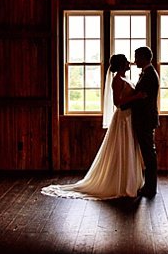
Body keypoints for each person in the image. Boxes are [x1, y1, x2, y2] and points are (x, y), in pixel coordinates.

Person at [41, 54, 147, 199]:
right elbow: (118, 102)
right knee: (122, 149)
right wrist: (136, 97)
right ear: (122, 64)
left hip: (129, 118)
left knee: (128, 149)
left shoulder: (126, 78)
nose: (130, 62)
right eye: (126, 61)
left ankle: (129, 182)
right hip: (123, 118)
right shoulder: (117, 80)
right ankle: (120, 183)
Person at [120, 46, 159, 198]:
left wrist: (123, 104)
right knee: (148, 153)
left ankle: (150, 188)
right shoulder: (146, 73)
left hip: (146, 120)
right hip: (144, 119)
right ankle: (149, 186)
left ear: (144, 57)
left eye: (137, 57)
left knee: (149, 153)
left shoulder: (149, 75)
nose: (135, 60)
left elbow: (142, 99)